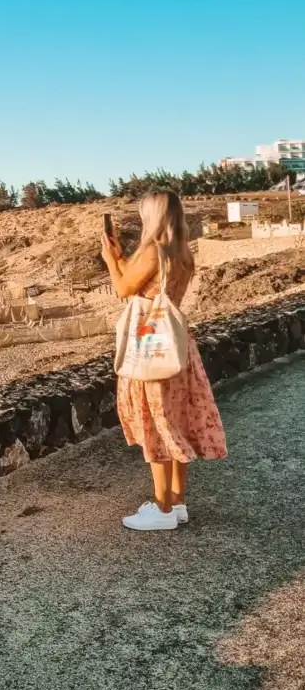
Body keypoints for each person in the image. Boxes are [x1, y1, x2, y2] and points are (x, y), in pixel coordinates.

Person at [101, 190, 227, 532]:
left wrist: (110, 259)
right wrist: (122, 258)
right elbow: (145, 285)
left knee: (156, 426)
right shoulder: (182, 253)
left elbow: (125, 289)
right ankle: (177, 502)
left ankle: (161, 509)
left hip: (150, 350)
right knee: (176, 423)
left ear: (153, 217)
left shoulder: (152, 251)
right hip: (177, 347)